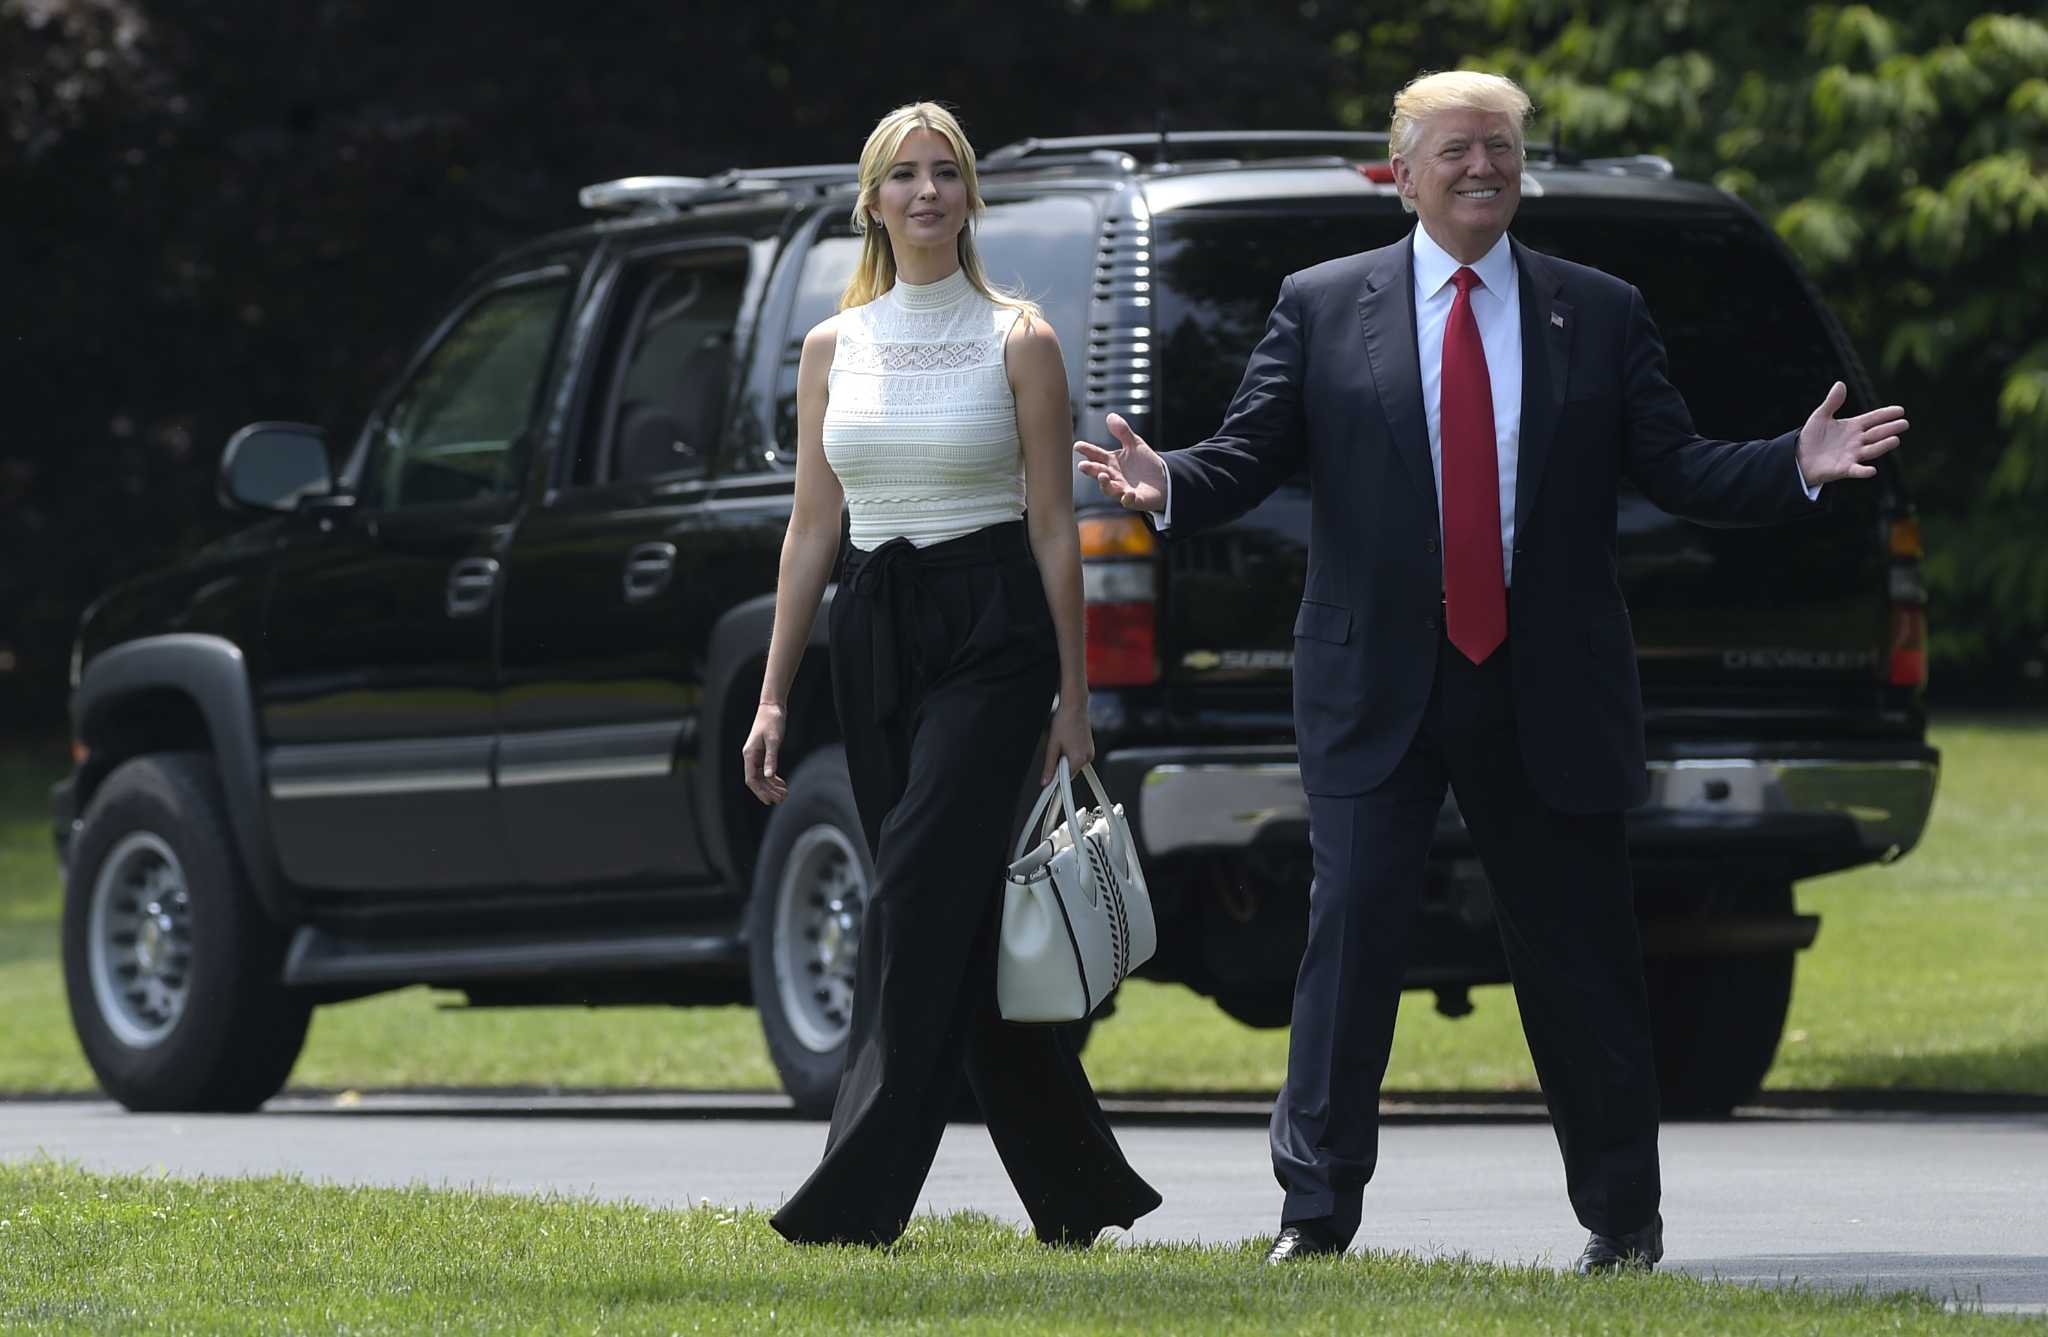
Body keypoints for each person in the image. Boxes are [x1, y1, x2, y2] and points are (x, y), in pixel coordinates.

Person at [1075, 70, 1907, 1272]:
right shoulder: (1321, 305)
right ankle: (1314, 1216)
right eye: (1457, 150)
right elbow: (1251, 451)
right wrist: (1169, 484)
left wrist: (1792, 461)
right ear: (1401, 173)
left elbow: (1673, 467)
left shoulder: (1597, 310)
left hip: (1544, 683)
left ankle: (1621, 1220)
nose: (1483, 169)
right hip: (1377, 684)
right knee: (1349, 942)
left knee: (1577, 955)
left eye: (1502, 151)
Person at [743, 101, 1161, 1249]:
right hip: (872, 623)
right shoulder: (834, 345)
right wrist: (777, 693)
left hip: (990, 627)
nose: (925, 193)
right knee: (959, 923)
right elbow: (808, 528)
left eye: (944, 174)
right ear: (872, 200)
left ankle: (853, 1196)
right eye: (903, 176)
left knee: (912, 895)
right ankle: (1078, 1190)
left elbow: (1050, 532)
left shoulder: (1019, 336)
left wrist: (1072, 700)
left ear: (969, 196)